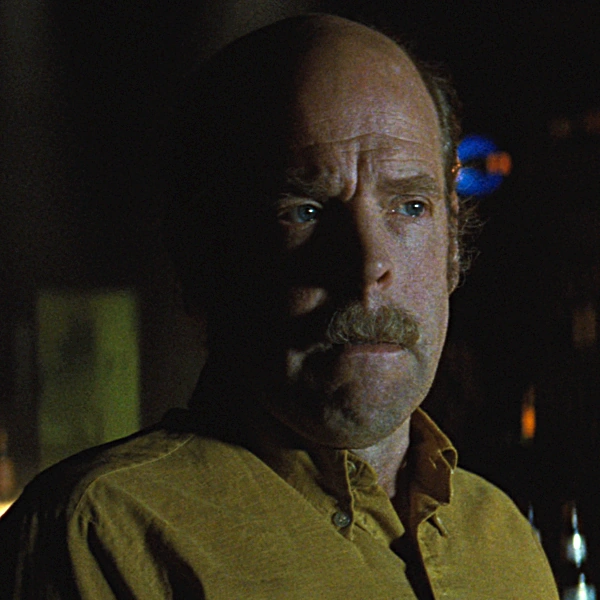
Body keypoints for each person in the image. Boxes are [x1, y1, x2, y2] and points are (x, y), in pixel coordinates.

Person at [0, 14, 559, 599]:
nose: (369, 266)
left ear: (453, 248)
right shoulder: (101, 533)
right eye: (304, 211)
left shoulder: (501, 537)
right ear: (204, 255)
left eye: (410, 207)